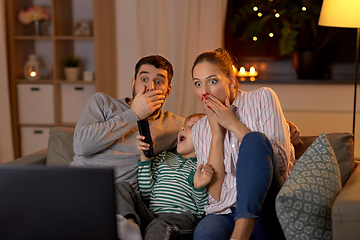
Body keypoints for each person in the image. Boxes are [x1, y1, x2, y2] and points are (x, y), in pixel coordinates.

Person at [190, 48, 296, 240]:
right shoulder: (199, 129)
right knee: (206, 236)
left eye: (212, 81)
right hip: (223, 213)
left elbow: (280, 164)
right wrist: (216, 135)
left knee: (254, 139)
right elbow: (215, 195)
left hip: (266, 207)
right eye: (198, 84)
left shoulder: (262, 98)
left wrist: (232, 124)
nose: (204, 92)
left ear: (230, 80)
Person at [70, 55, 184, 190]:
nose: (150, 87)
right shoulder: (102, 102)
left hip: (118, 196)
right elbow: (81, 146)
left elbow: (205, 137)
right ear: (133, 84)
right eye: (144, 79)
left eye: (158, 82)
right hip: (77, 184)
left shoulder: (174, 125)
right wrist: (133, 115)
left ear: (168, 91)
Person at [116, 113, 212, 240]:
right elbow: (147, 193)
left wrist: (199, 187)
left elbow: (201, 211)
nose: (183, 128)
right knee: (121, 187)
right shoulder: (164, 157)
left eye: (192, 126)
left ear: (206, 139)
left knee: (158, 226)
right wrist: (145, 158)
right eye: (183, 126)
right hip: (152, 216)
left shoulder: (202, 168)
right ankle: (131, 227)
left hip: (180, 219)